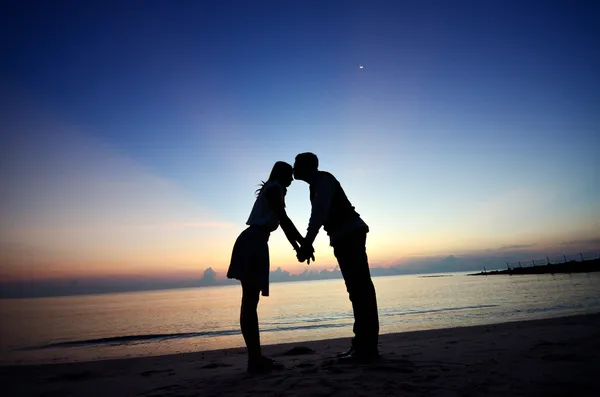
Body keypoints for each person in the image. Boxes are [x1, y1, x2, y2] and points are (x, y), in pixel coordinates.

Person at [227, 161, 314, 375]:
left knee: (249, 302)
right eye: (289, 175)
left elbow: (281, 221)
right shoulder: (275, 188)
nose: (292, 179)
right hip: (254, 242)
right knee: (249, 303)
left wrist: (298, 246)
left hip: (254, 241)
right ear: (281, 175)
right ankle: (254, 360)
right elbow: (284, 220)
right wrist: (303, 244)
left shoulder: (274, 188)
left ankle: (255, 359)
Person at [293, 152, 379, 362]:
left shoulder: (322, 180)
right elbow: (320, 215)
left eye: (296, 164)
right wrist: (307, 242)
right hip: (344, 235)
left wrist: (306, 243)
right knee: (357, 290)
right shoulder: (317, 183)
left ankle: (366, 348)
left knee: (360, 290)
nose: (293, 168)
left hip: (349, 234)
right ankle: (362, 345)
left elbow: (319, 214)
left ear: (306, 166)